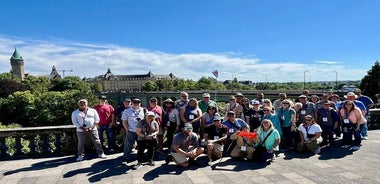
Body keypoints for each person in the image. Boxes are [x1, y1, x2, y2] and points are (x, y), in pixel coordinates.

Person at [121, 98, 146, 163]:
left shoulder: (144, 110)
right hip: (131, 131)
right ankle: (125, 158)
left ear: (140, 103)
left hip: (141, 131)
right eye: (134, 102)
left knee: (141, 145)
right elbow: (124, 121)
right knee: (128, 146)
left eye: (138, 102)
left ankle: (140, 158)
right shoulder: (127, 111)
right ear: (132, 103)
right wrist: (127, 129)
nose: (136, 104)